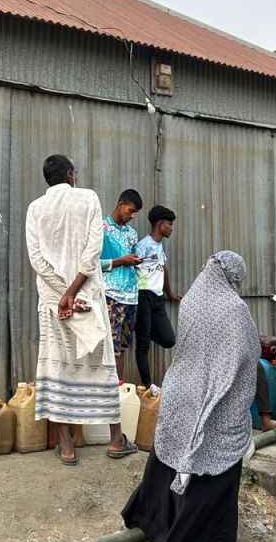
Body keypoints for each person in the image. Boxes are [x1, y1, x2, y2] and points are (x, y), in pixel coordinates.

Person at [122, 251, 259, 542]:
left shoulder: (192, 301)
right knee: (218, 475)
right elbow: (246, 353)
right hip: (215, 401)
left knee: (168, 458)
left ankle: (153, 523)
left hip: (180, 392)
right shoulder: (235, 309)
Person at [25, 155, 135, 464]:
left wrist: (62, 294)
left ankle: (68, 446)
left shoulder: (36, 208)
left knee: (56, 366)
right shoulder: (88, 198)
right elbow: (93, 251)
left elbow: (37, 260)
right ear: (71, 175)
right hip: (87, 297)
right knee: (101, 366)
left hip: (53, 302)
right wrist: (74, 292)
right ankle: (115, 441)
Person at [134, 205, 181, 390]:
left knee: (169, 340)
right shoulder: (143, 245)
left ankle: (140, 330)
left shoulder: (160, 246)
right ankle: (147, 384)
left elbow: (164, 269)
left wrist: (169, 293)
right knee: (143, 344)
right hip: (143, 296)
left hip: (158, 298)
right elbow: (132, 268)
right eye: (170, 224)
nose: (171, 227)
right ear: (160, 224)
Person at [100, 189, 144, 380]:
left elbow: (129, 260)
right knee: (109, 346)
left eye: (135, 213)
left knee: (122, 346)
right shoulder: (100, 228)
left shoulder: (132, 234)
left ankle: (119, 391)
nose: (133, 216)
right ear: (120, 205)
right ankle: (108, 391)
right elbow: (90, 264)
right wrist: (120, 261)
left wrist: (135, 262)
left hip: (131, 296)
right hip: (111, 295)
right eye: (131, 211)